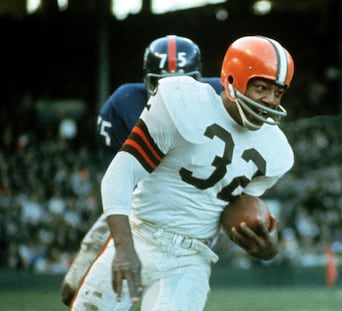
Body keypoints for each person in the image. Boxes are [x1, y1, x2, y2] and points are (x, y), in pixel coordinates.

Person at [70, 35, 295, 311]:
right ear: (233, 80)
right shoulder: (181, 100)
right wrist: (123, 248)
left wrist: (268, 248)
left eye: (278, 92)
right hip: (140, 234)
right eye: (261, 87)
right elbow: (119, 175)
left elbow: (234, 211)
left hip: (190, 259)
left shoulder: (276, 151)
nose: (269, 101)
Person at [60, 35, 222, 306]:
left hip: (186, 215)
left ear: (200, 79)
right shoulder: (123, 104)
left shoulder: (220, 99)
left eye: (184, 81)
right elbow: (121, 179)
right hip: (138, 205)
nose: (175, 91)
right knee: (72, 289)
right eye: (162, 82)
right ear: (147, 81)